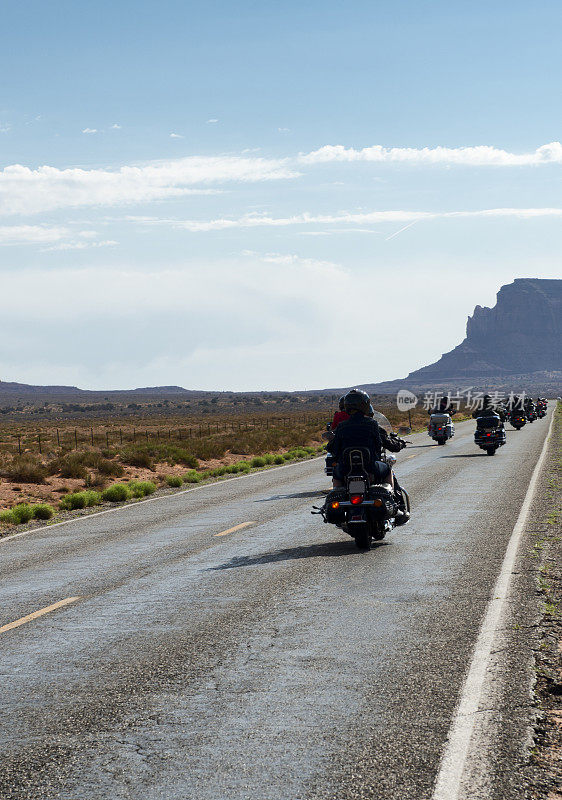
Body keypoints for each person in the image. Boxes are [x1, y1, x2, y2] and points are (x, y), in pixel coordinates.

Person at [329, 389, 408, 520]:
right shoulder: (372, 424)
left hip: (346, 469)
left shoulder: (342, 426)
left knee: (336, 474)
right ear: (364, 405)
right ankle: (394, 503)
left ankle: (338, 499)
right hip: (370, 467)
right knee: (388, 469)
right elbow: (378, 445)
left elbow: (333, 449)